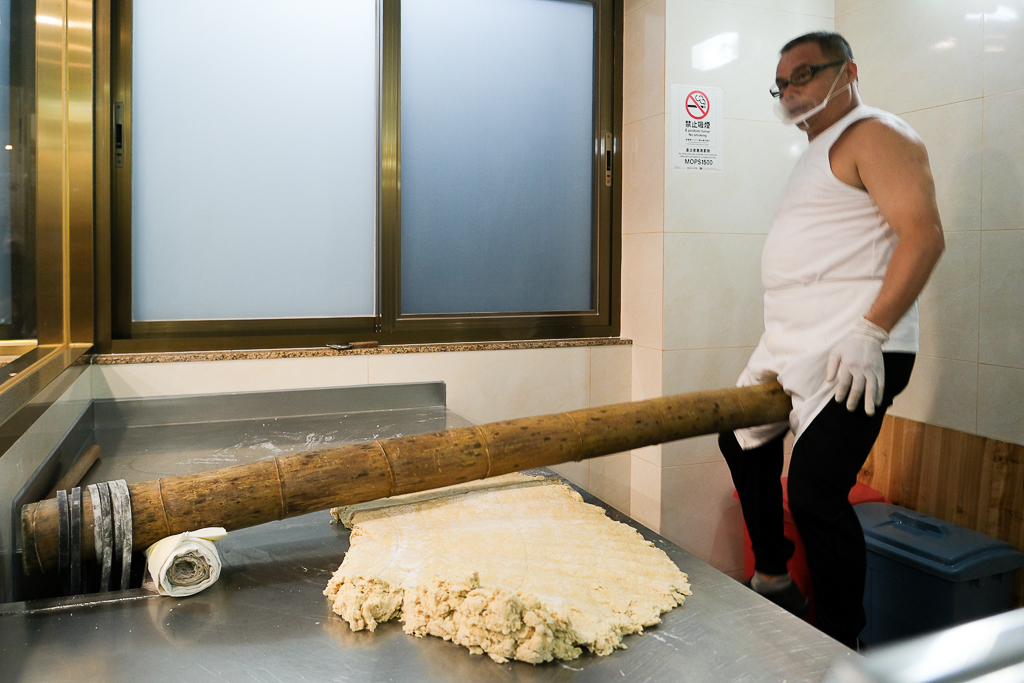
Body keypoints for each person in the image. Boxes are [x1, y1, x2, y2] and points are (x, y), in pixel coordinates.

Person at [718, 31, 945, 649]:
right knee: (740, 439)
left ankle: (843, 644)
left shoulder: (876, 134)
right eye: (782, 83)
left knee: (817, 492)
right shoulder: (816, 151)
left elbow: (922, 236)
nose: (790, 90)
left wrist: (872, 331)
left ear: (847, 71)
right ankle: (774, 577)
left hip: (859, 348)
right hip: (793, 343)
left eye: (804, 74)